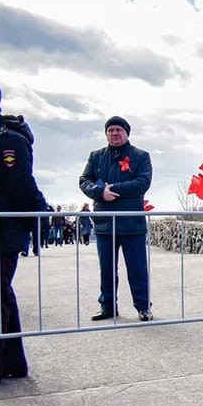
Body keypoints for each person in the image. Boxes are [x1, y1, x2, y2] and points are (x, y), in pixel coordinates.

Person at [0, 82, 48, 384]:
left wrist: (33, 223)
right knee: (0, 292)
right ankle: (12, 362)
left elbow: (21, 186)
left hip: (3, 230)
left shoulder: (7, 141)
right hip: (2, 229)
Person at [79, 116, 153, 322]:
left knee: (137, 269)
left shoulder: (141, 156)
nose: (114, 133)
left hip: (132, 223)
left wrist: (113, 189)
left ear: (127, 132)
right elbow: (84, 181)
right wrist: (100, 192)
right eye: (110, 130)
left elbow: (142, 182)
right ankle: (108, 306)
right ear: (106, 134)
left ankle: (143, 307)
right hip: (104, 223)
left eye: (118, 130)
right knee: (107, 270)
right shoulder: (96, 156)